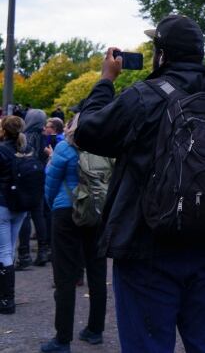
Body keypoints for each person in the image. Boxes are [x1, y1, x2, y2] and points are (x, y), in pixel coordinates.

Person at [73, 15, 205, 352]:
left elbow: (87, 132)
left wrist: (106, 80)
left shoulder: (142, 98)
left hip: (147, 246)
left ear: (161, 55)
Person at [40, 114, 107, 353]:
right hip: (96, 214)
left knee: (65, 277)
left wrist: (54, 207)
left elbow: (50, 183)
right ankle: (95, 330)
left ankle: (62, 339)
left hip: (66, 212)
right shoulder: (103, 149)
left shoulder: (64, 149)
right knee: (97, 271)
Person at [0, 116, 30, 314]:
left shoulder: (2, 149)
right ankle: (7, 297)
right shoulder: (26, 149)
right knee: (8, 248)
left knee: (5, 250)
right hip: (22, 204)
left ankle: (6, 300)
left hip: (3, 203)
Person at [16, 109, 51, 269]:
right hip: (40, 178)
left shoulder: (24, 138)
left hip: (25, 179)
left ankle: (24, 254)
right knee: (39, 215)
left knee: (25, 216)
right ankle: (43, 251)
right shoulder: (45, 137)